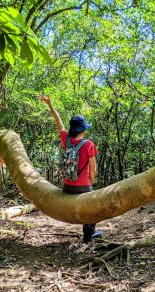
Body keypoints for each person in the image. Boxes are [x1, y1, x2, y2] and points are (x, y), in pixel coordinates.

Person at [40, 93, 102, 243]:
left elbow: (58, 121)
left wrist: (50, 104)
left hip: (67, 185)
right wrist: (89, 184)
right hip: (82, 187)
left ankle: (88, 235)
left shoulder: (66, 140)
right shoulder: (88, 144)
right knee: (93, 206)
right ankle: (89, 235)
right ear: (83, 129)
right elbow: (93, 169)